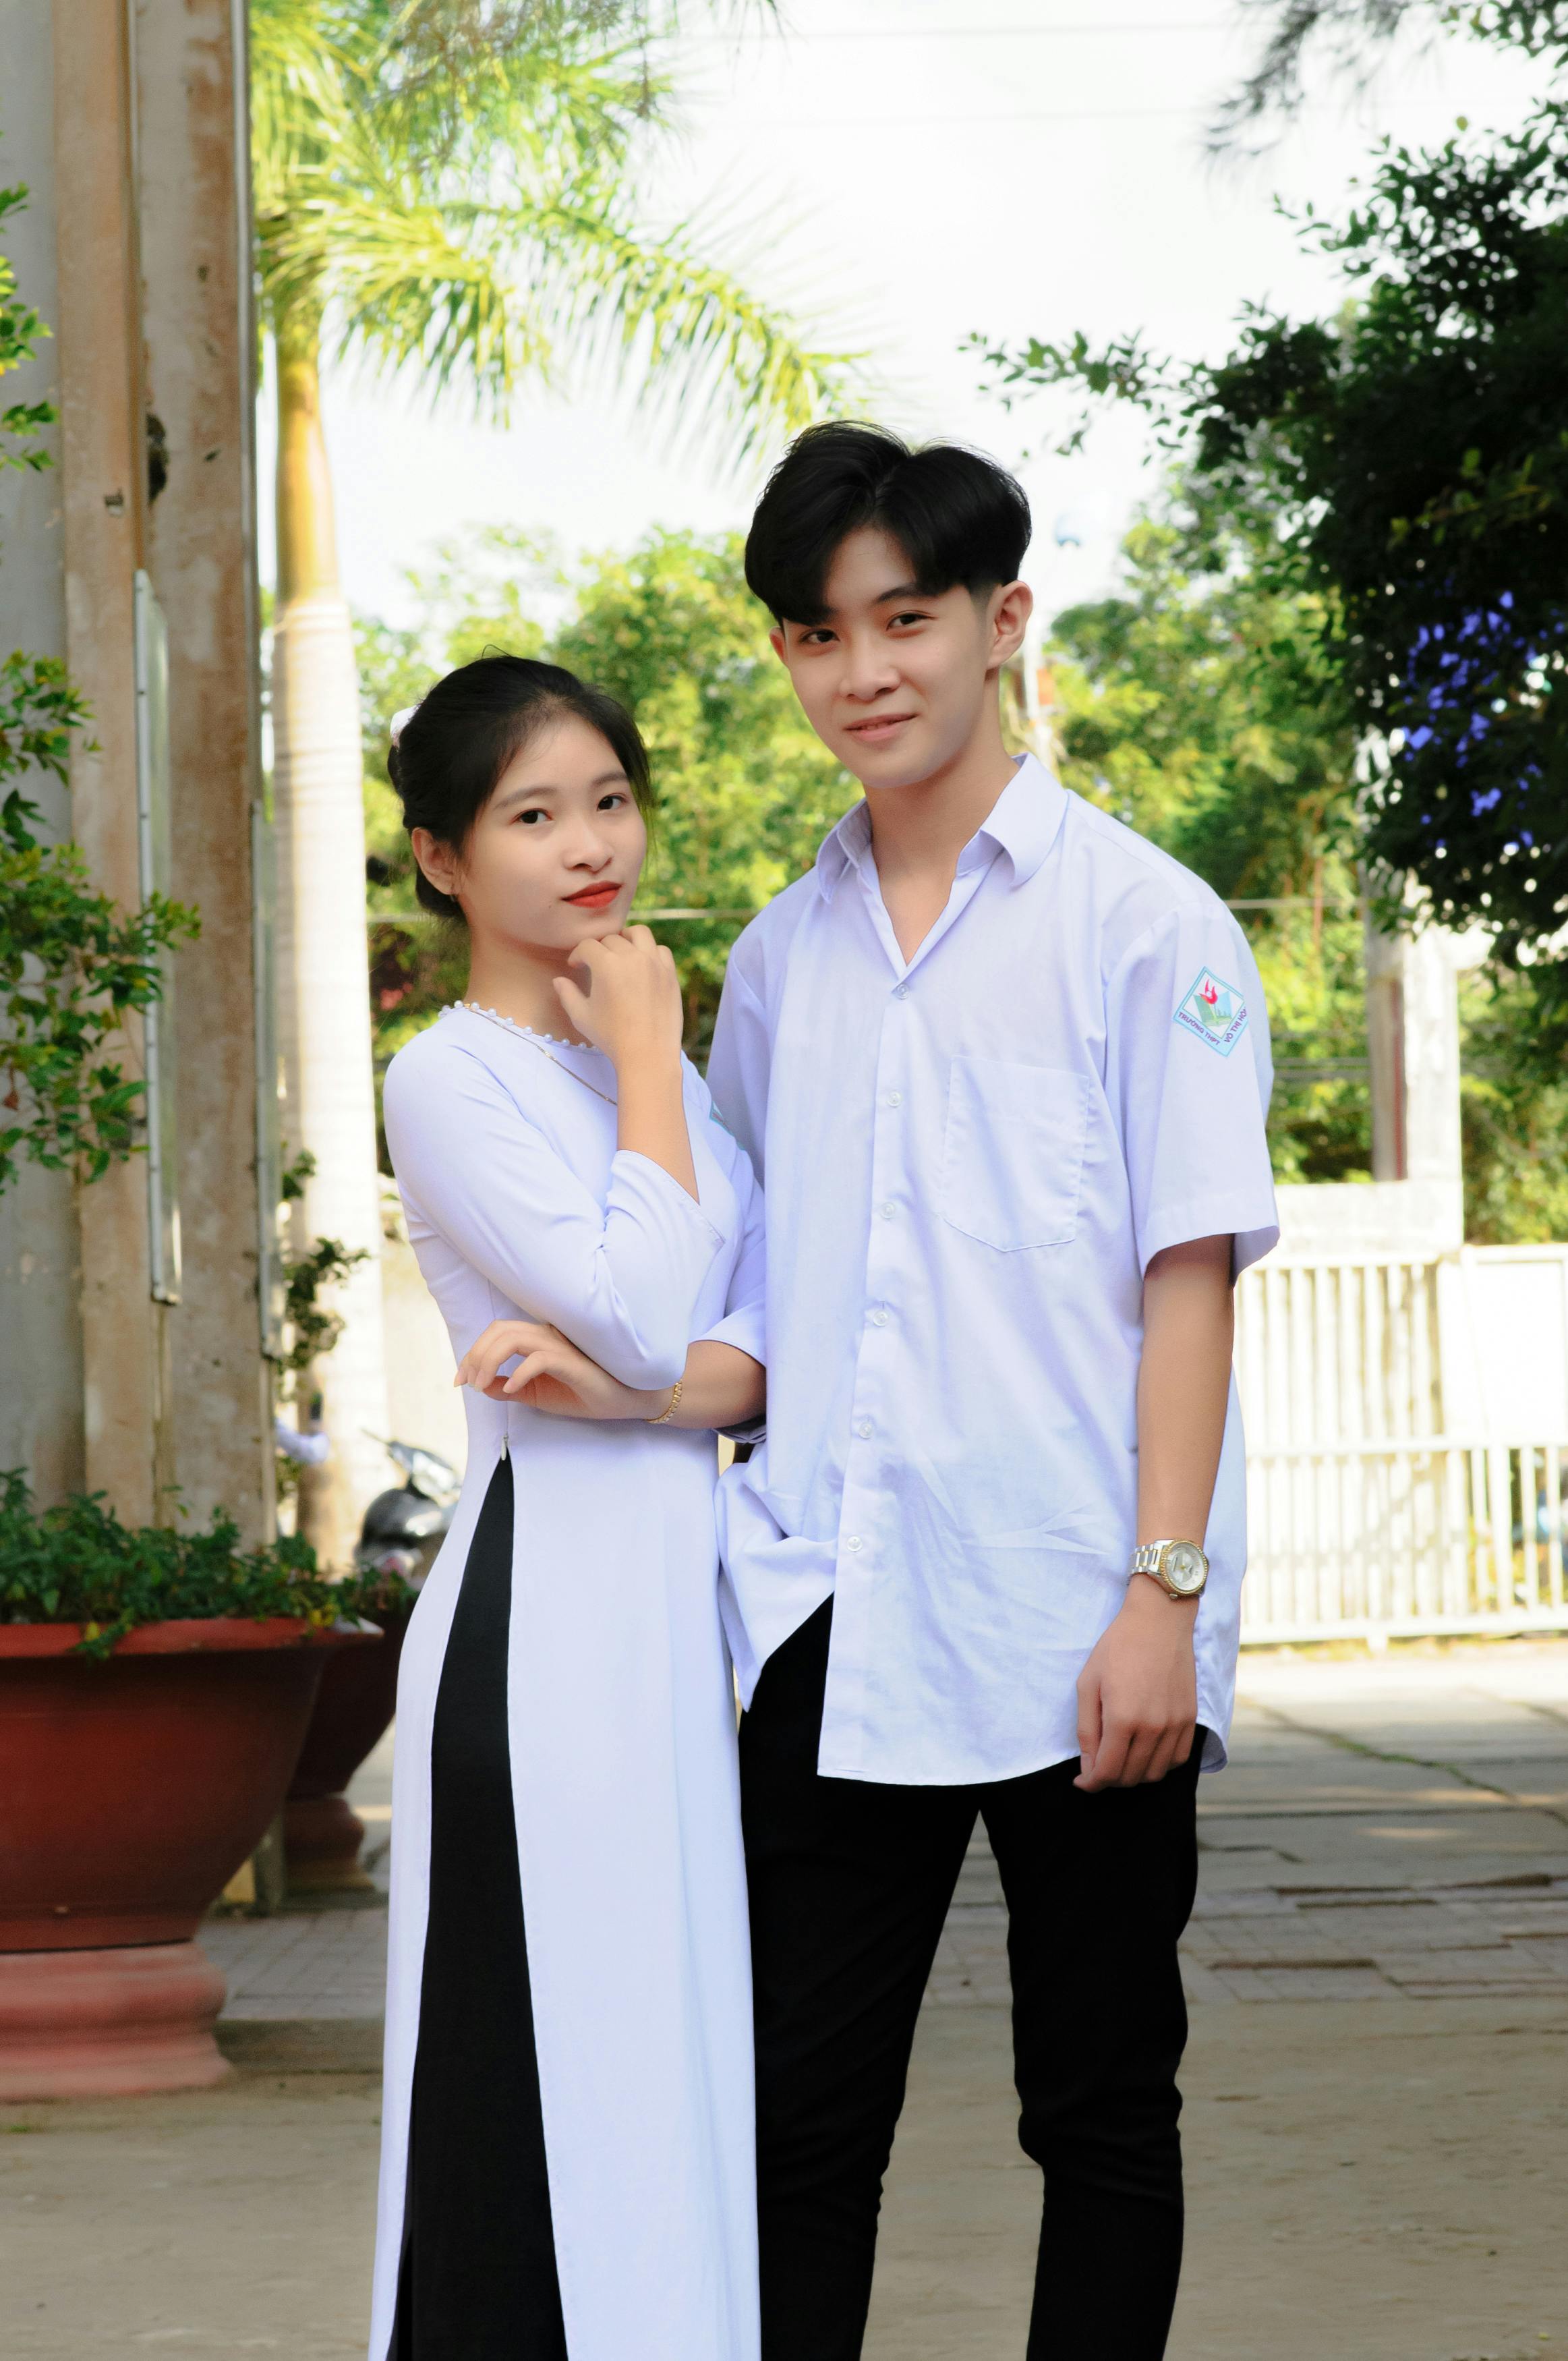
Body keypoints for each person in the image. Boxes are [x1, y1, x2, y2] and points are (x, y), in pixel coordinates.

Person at [705, 424, 1281, 2360]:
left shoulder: (1146, 927)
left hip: (1075, 1620)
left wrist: (1159, 1592)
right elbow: (751, 1300)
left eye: (902, 618)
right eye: (813, 632)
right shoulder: (779, 961)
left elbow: (1180, 1279)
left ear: (998, 620)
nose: (859, 671)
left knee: (1098, 2109)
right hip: (828, 1618)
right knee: (795, 2126)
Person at [369, 655, 766, 2361]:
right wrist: (655, 1055)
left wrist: (630, 1390)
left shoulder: (655, 1082)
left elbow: (761, 1355)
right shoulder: (447, 1081)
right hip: (545, 1640)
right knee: (534, 2081)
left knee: (670, 2071)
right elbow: (646, 1295)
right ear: (448, 858)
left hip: (685, 1620)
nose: (589, 844)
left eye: (608, 798)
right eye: (533, 813)